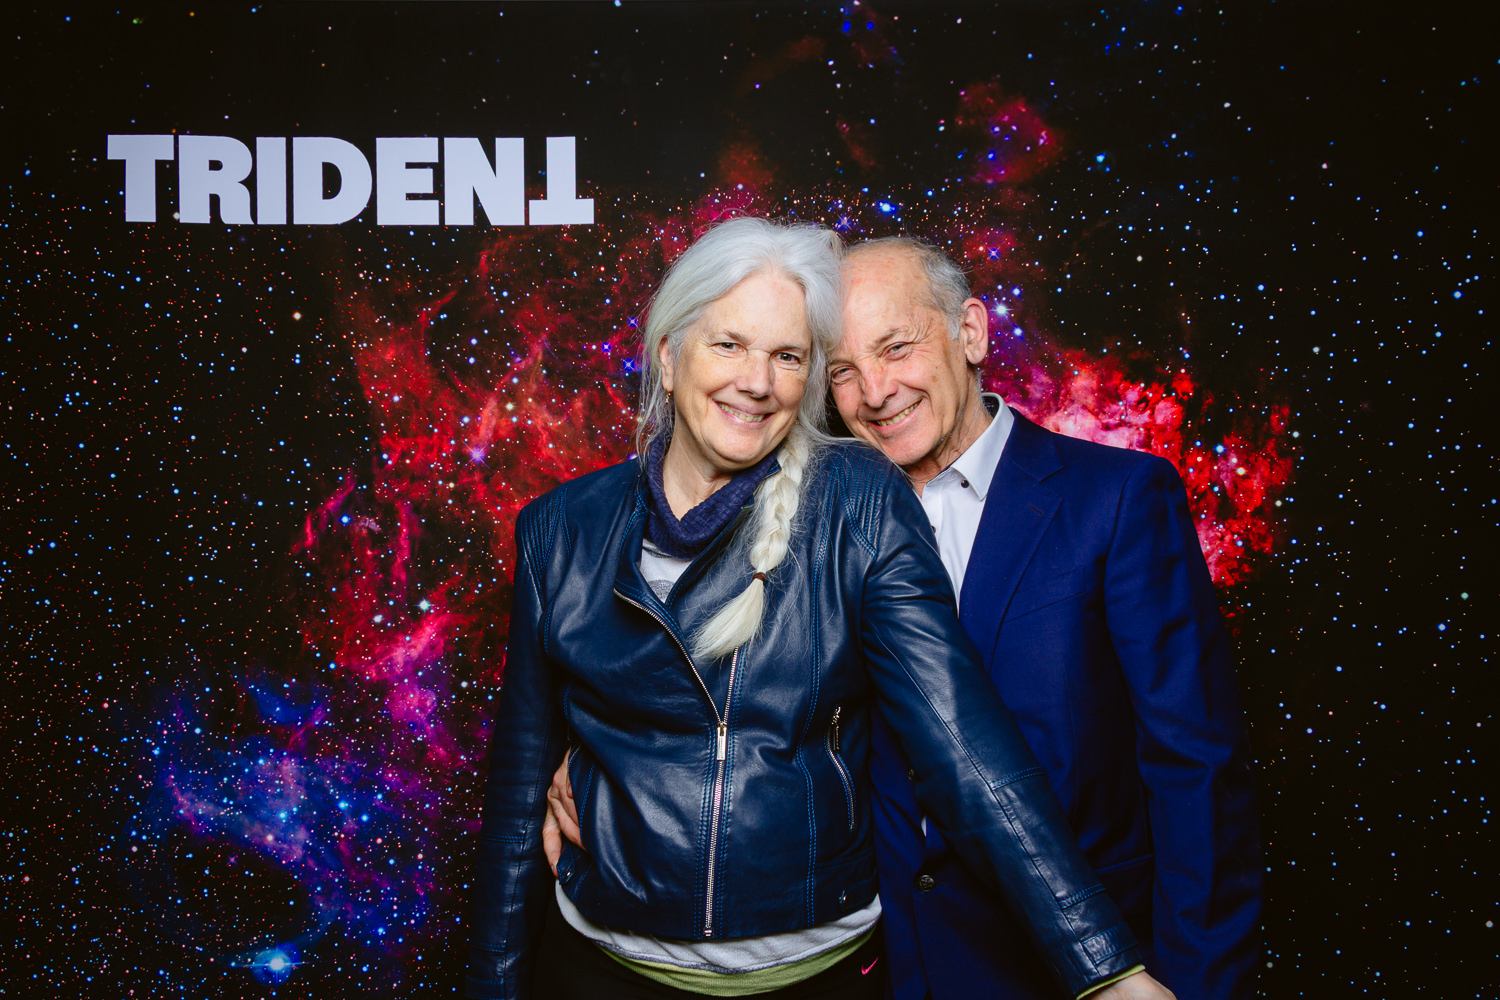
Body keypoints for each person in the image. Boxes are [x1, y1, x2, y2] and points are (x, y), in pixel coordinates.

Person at [467, 218, 1171, 1000]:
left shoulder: (858, 500)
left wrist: (1104, 967)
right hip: (601, 970)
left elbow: (963, 744)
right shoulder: (559, 528)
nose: (757, 381)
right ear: (668, 355)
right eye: (728, 344)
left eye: (788, 356)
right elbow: (518, 793)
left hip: (820, 977)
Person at [829, 238, 1262, 1000]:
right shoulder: (827, 528)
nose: (876, 390)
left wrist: (1195, 985)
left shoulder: (1117, 499)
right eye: (842, 371)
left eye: (896, 348)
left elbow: (1196, 772)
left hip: (1088, 975)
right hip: (898, 974)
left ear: (970, 332)